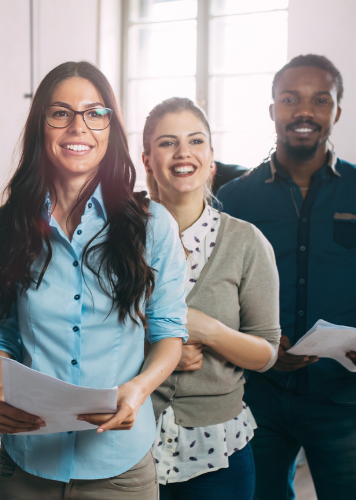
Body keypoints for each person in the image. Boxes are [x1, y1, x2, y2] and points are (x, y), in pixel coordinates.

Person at [0, 61, 187, 500]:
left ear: (111, 127)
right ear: (41, 125)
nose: (79, 127)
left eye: (95, 113)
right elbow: (2, 329)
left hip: (119, 469)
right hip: (26, 463)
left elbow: (170, 334)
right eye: (61, 113)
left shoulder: (153, 226)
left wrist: (139, 389)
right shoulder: (3, 229)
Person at [216, 54, 356, 500]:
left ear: (336, 111)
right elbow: (215, 293)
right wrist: (257, 342)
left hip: (340, 395)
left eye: (320, 100)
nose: (304, 111)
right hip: (254, 394)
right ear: (273, 110)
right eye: (290, 99)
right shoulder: (234, 198)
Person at [141, 97, 281, 499]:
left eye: (196, 141)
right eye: (167, 143)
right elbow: (89, 330)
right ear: (148, 159)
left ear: (211, 158)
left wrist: (212, 331)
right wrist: (159, 349)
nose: (183, 153)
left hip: (219, 453)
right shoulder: (118, 235)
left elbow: (267, 352)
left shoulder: (246, 242)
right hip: (129, 440)